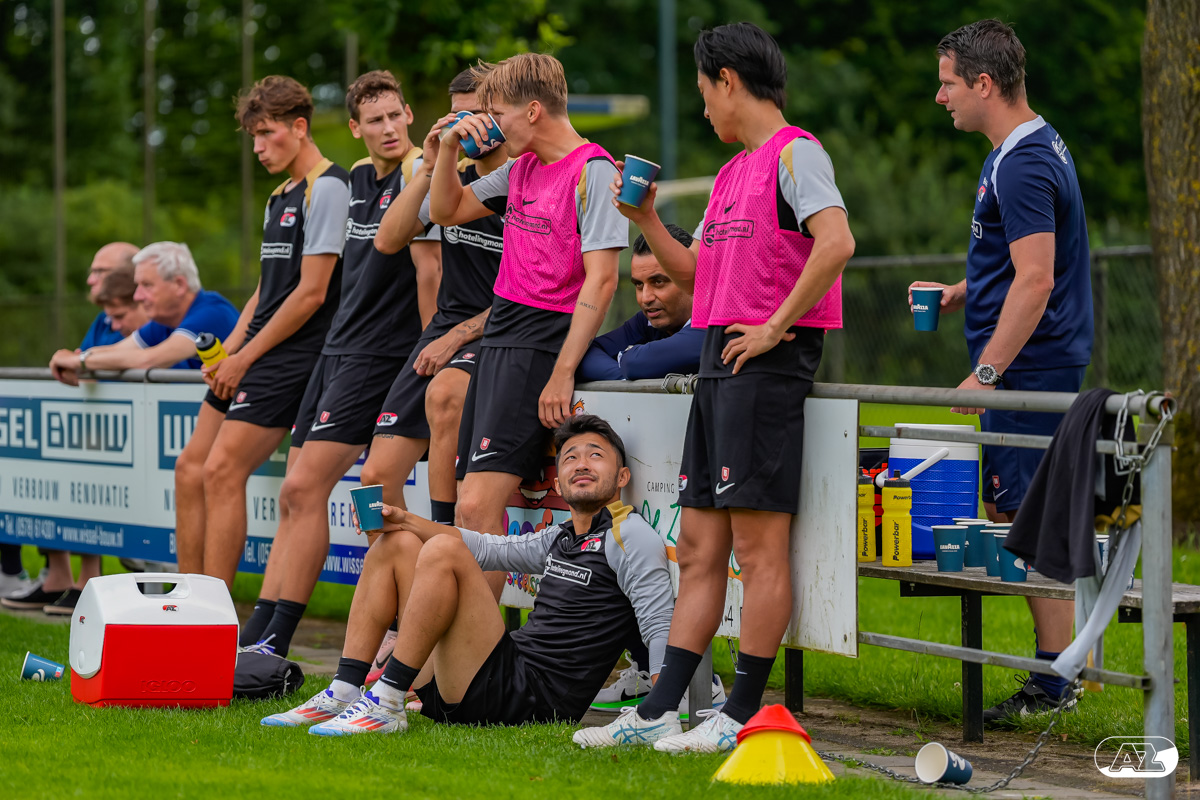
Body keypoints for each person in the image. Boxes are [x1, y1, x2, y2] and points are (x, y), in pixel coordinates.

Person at [574, 22, 854, 752]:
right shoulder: (731, 174)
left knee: (758, 553)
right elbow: (695, 271)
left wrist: (773, 326)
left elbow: (837, 243)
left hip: (765, 370)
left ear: (728, 80)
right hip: (716, 366)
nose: (703, 109)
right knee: (699, 549)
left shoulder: (796, 153)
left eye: (704, 93)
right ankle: (661, 709)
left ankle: (741, 715)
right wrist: (642, 217)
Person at [260, 415, 674, 736]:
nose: (581, 464)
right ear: (560, 483)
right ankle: (345, 689)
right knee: (396, 543)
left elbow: (658, 622)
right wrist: (403, 518)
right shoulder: (562, 535)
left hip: (532, 700)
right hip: (488, 679)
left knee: (443, 551)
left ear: (622, 477)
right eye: (570, 458)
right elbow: (487, 547)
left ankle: (387, 699)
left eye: (595, 455)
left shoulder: (631, 535)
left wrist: (660, 707)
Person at [910, 19, 1092, 724]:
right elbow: (1020, 262)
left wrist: (986, 372)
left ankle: (1057, 680)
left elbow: (1037, 280)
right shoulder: (1019, 148)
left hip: (1030, 366)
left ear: (984, 84)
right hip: (1030, 361)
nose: (940, 96)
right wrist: (963, 292)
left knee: (1026, 513)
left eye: (948, 83)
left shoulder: (1022, 162)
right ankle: (1063, 670)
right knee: (1016, 509)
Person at [235, 70, 440, 659]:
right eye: (375, 120)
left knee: (309, 487)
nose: (389, 127)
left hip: (379, 355)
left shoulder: (417, 172)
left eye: (396, 115)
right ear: (355, 128)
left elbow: (429, 272)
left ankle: (280, 639)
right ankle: (259, 631)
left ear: (409, 115)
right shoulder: (356, 176)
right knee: (292, 495)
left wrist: (429, 352)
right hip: (337, 350)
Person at [428, 54, 627, 602]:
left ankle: (476, 649)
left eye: (498, 114)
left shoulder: (593, 171)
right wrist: (447, 149)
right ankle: (469, 647)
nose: (491, 128)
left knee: (476, 510)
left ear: (534, 110)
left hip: (538, 342)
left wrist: (562, 371)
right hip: (500, 338)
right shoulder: (521, 167)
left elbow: (603, 279)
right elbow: (445, 210)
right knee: (471, 510)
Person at [354, 66, 508, 682]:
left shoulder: (524, 178)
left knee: (445, 398)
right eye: (455, 114)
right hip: (442, 333)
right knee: (373, 481)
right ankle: (403, 609)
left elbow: (543, 294)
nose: (465, 125)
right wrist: (431, 158)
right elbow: (389, 240)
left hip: (491, 333)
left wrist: (459, 334)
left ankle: (442, 550)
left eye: (476, 113)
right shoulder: (451, 174)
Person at [173, 76, 351, 588]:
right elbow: (264, 290)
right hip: (255, 350)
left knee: (221, 471)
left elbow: (311, 293)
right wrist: (227, 353)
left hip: (296, 352)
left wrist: (244, 359)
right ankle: (186, 601)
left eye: (266, 133)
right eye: (253, 136)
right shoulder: (279, 196)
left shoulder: (329, 186)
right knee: (190, 468)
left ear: (299, 127)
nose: (257, 147)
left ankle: (213, 611)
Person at [47, 242, 238, 381]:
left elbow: (148, 360)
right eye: (137, 286)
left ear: (179, 285)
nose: (137, 296)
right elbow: (116, 350)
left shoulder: (210, 313)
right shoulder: (165, 320)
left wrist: (79, 362)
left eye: (147, 285)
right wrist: (75, 360)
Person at [578, 225, 703, 382]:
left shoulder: (715, 322)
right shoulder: (647, 321)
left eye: (658, 282)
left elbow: (634, 363)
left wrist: (630, 362)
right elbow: (582, 354)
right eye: (639, 285)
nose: (645, 298)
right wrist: (624, 377)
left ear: (691, 277)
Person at [79, 242, 141, 350]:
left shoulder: (158, 325)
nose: (90, 280)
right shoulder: (103, 320)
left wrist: (87, 358)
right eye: (92, 272)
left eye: (99, 271)